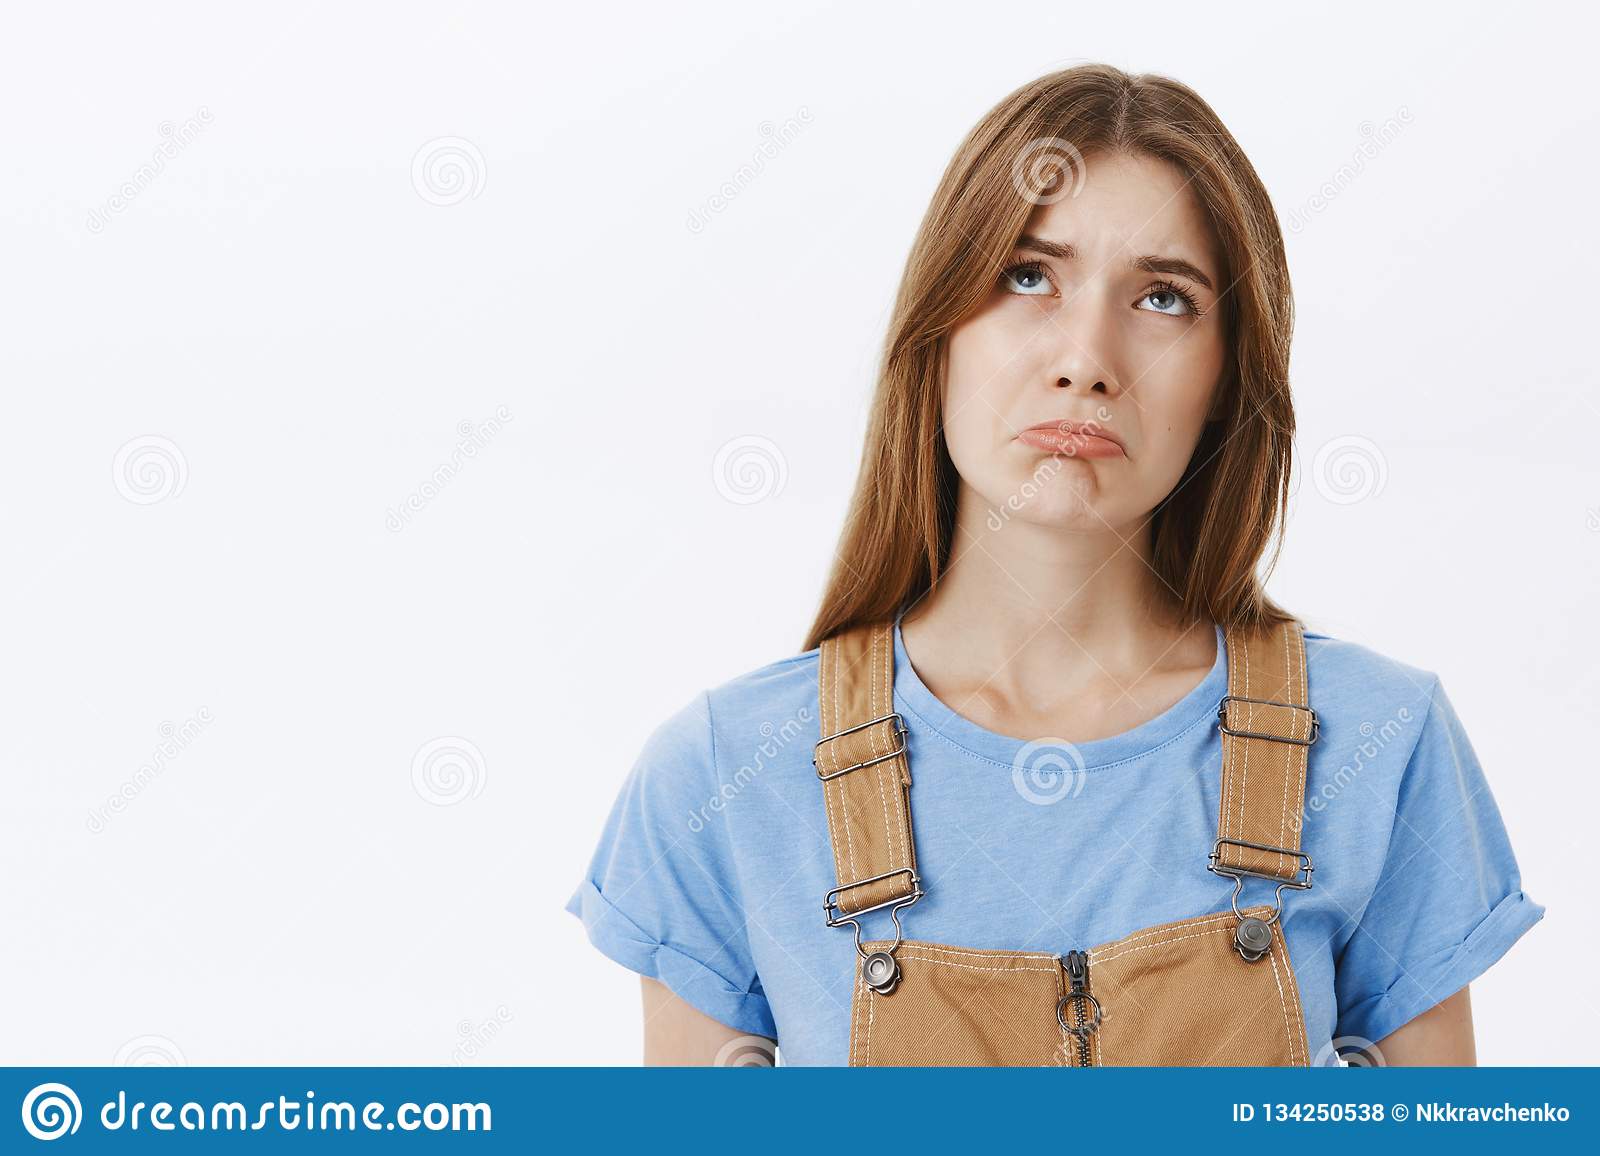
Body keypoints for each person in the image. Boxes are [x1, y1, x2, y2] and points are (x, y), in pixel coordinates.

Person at [564, 63, 1543, 1066]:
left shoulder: (1381, 742)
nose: (1086, 358)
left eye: (1163, 298)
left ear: (1224, 376)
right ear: (938, 330)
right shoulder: (727, 773)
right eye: (1027, 277)